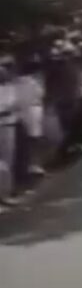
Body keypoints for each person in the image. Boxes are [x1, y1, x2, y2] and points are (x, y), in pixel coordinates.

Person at [0, 58, 19, 206]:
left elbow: (10, 108)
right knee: (5, 162)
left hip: (7, 126)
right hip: (6, 126)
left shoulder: (10, 89)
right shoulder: (10, 89)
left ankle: (5, 193)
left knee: (6, 162)